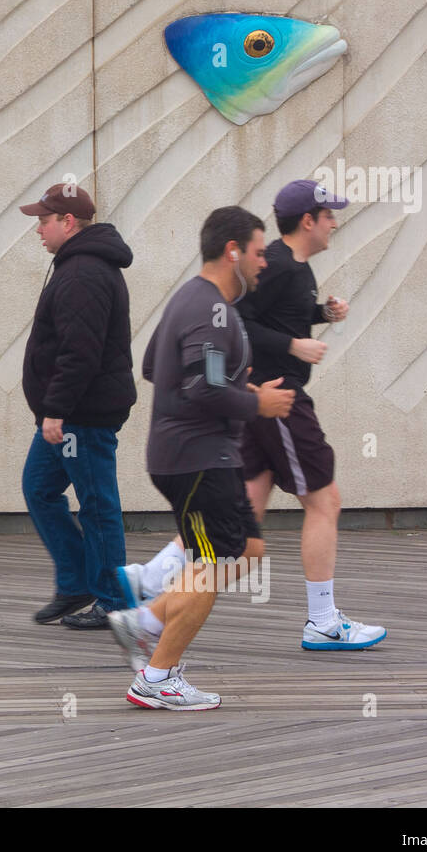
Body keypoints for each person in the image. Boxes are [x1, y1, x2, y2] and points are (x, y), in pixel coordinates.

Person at [108, 206, 294, 709]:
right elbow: (201, 387)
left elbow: (155, 367)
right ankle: (156, 677)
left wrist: (236, 384)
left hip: (199, 455)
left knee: (246, 550)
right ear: (232, 251)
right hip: (198, 458)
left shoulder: (193, 300)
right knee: (212, 565)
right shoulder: (211, 308)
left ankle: (143, 622)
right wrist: (257, 401)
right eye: (258, 253)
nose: (264, 264)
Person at [236, 180, 386, 650]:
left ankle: (147, 598)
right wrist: (292, 345)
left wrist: (322, 312)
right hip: (280, 399)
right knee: (325, 503)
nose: (335, 223)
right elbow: (236, 320)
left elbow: (276, 316)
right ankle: (323, 621)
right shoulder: (279, 265)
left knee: (239, 520)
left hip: (262, 400)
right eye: (330, 216)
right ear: (309, 221)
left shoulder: (293, 268)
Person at [20, 183, 137, 630]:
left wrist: (56, 411)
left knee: (96, 504)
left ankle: (113, 601)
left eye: (43, 221)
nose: (38, 230)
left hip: (80, 416)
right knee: (39, 488)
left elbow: (80, 352)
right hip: (69, 413)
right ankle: (77, 583)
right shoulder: (76, 265)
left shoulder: (84, 272)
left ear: (68, 222)